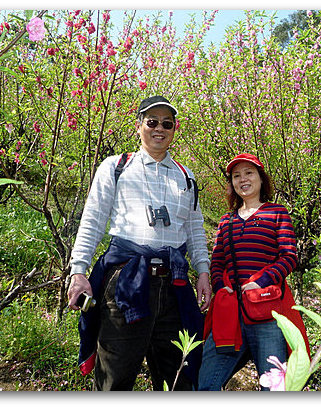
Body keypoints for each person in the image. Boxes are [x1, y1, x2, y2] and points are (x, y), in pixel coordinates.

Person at [67, 95, 211, 391]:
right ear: (139, 126)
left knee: (177, 380)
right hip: (126, 283)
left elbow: (195, 229)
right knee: (115, 379)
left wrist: (204, 272)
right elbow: (93, 219)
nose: (159, 128)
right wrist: (78, 270)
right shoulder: (116, 166)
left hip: (174, 285)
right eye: (152, 122)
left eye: (167, 124)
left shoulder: (187, 177)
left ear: (174, 129)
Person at [198, 153, 310, 391]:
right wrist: (220, 286)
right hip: (229, 314)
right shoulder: (226, 221)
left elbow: (289, 256)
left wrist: (261, 281)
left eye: (249, 173)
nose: (243, 179)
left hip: (267, 313)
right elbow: (217, 262)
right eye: (236, 176)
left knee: (274, 389)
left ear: (261, 178)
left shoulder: (277, 213)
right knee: (207, 385)